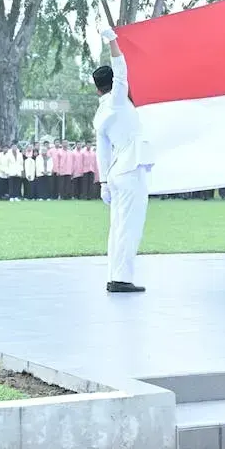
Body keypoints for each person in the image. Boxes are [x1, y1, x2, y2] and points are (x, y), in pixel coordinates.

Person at [93, 27, 154, 293]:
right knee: (129, 227)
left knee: (117, 227)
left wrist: (104, 182)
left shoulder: (101, 113)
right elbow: (121, 69)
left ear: (97, 89)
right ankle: (121, 279)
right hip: (130, 170)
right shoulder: (117, 101)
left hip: (117, 173)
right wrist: (112, 40)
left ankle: (114, 276)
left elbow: (102, 151)